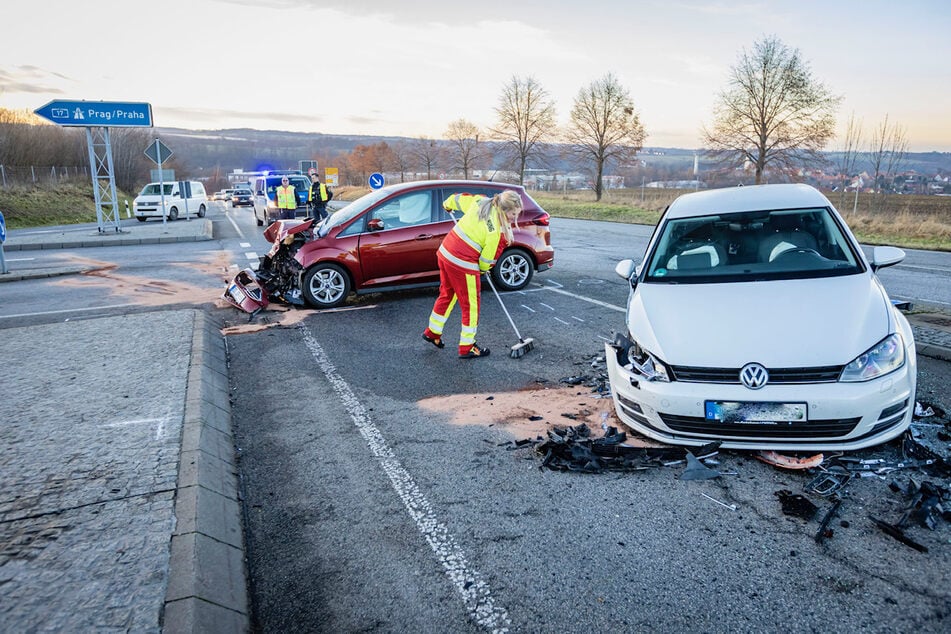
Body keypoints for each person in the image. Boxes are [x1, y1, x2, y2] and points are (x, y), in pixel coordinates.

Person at [422, 190, 522, 359]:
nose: (514, 218)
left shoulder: (480, 201)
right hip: (462, 263)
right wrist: (483, 270)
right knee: (471, 306)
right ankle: (467, 346)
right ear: (504, 209)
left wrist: (447, 205)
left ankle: (433, 332)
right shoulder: (496, 231)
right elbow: (486, 260)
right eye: (513, 214)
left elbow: (455, 199)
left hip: (445, 253)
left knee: (448, 294)